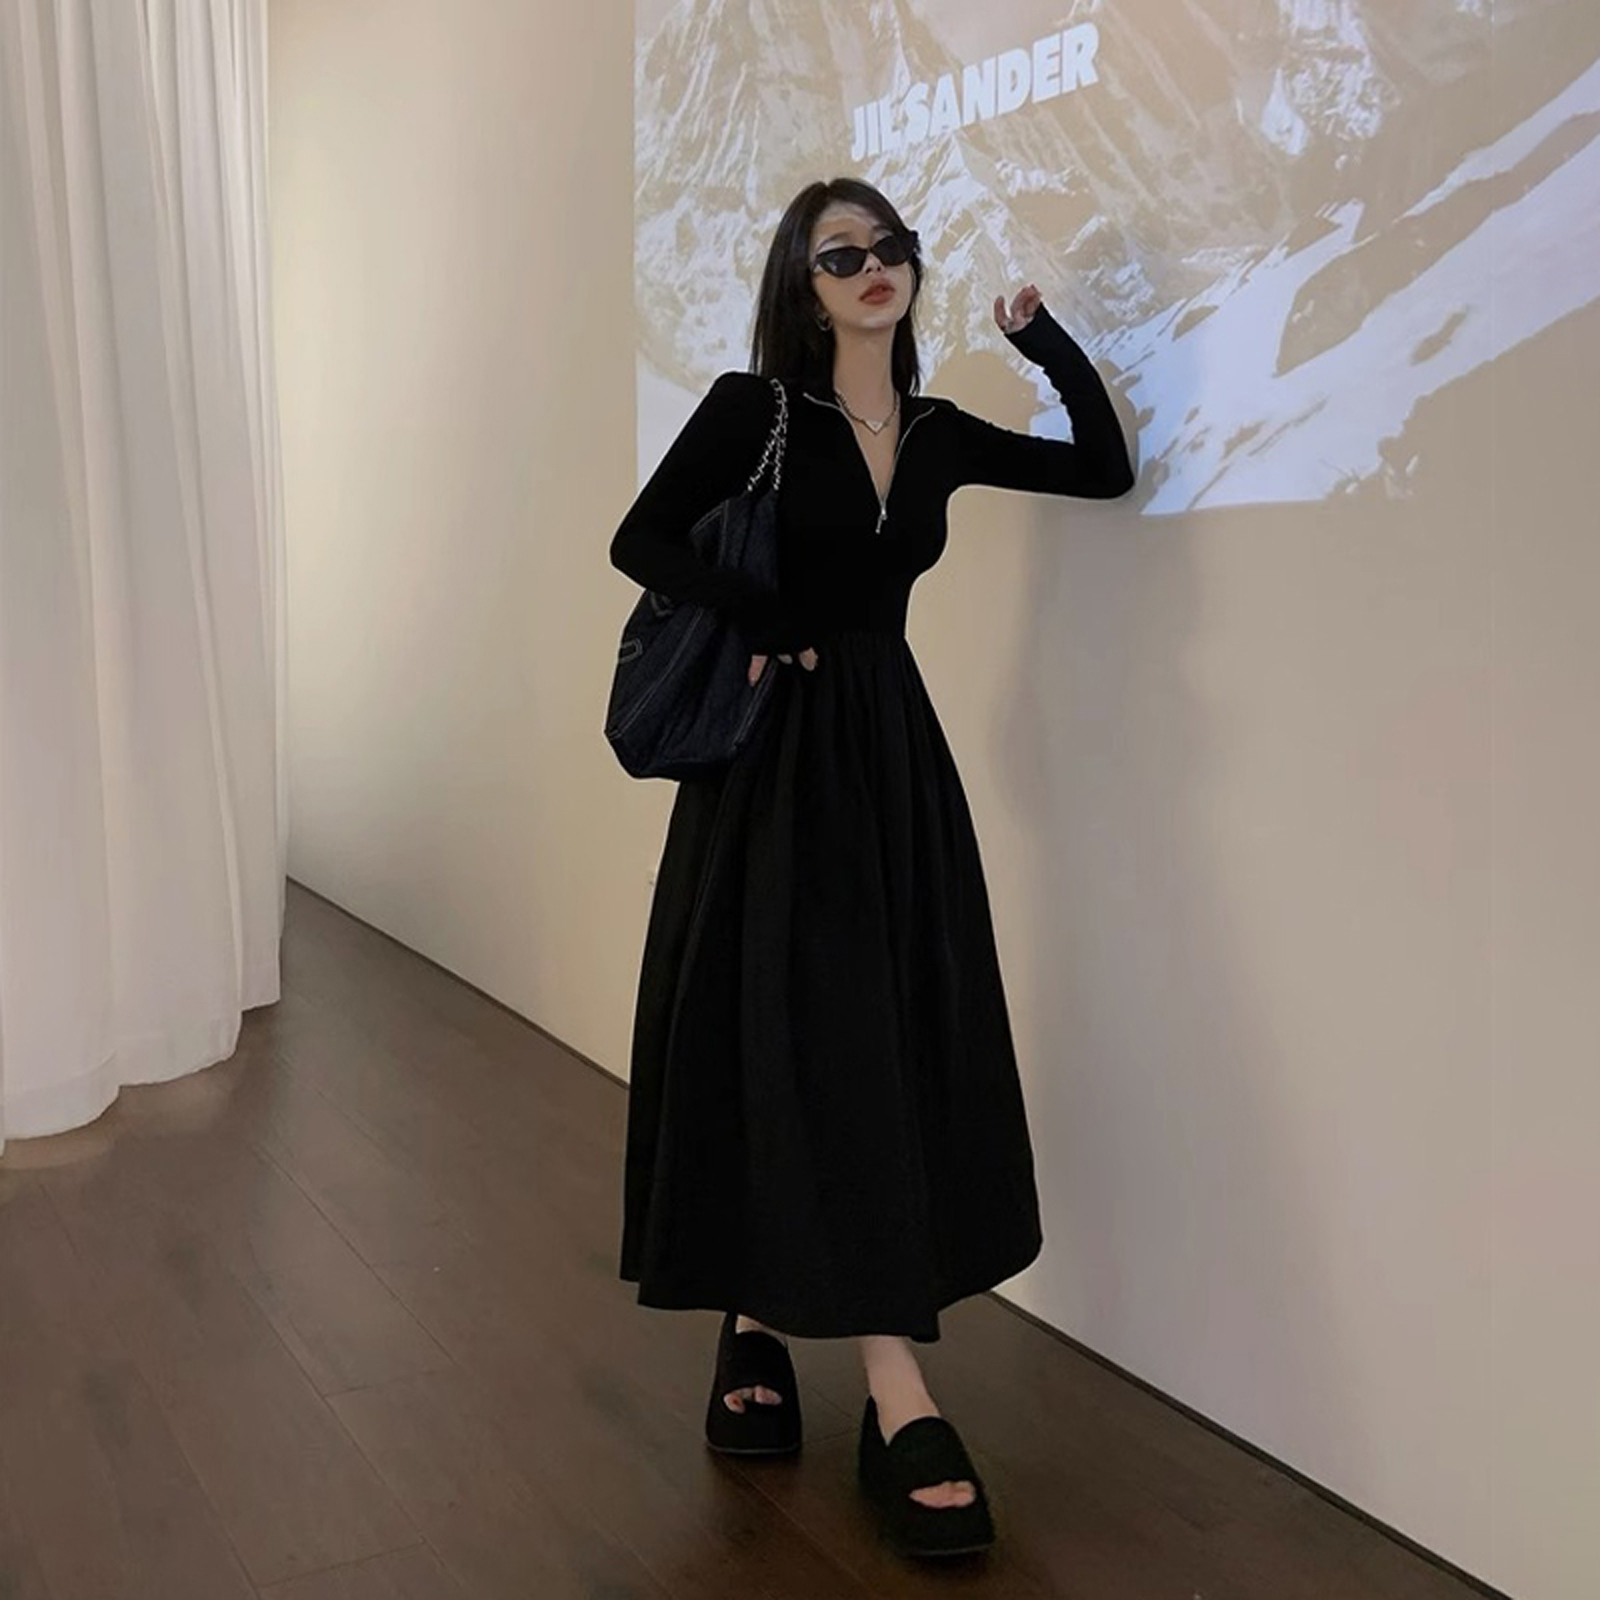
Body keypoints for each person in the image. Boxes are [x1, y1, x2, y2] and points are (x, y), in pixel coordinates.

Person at [609, 175, 1134, 1556]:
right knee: (788, 1029)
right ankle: (880, 1378)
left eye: (891, 248)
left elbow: (1102, 470)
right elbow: (639, 540)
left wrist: (1044, 344)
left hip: (891, 755)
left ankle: (768, 1323)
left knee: (872, 1033)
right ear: (803, 283)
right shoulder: (755, 412)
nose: (873, 269)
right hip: (775, 760)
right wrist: (762, 614)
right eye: (841, 255)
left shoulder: (939, 433)